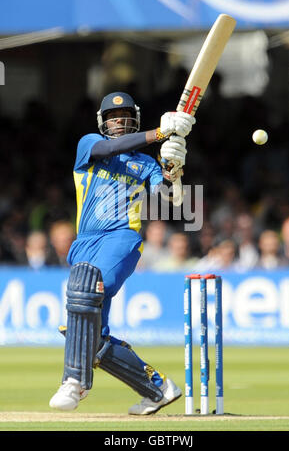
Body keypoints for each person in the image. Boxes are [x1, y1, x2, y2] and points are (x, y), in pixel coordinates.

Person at [49, 91, 195, 415]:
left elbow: (170, 200)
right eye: (113, 117)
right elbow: (111, 147)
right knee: (94, 337)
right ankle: (157, 389)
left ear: (135, 118)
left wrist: (174, 172)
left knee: (85, 289)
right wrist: (159, 134)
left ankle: (74, 381)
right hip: (86, 241)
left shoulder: (145, 164)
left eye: (125, 115)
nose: (119, 121)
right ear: (103, 122)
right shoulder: (89, 145)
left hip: (122, 238)